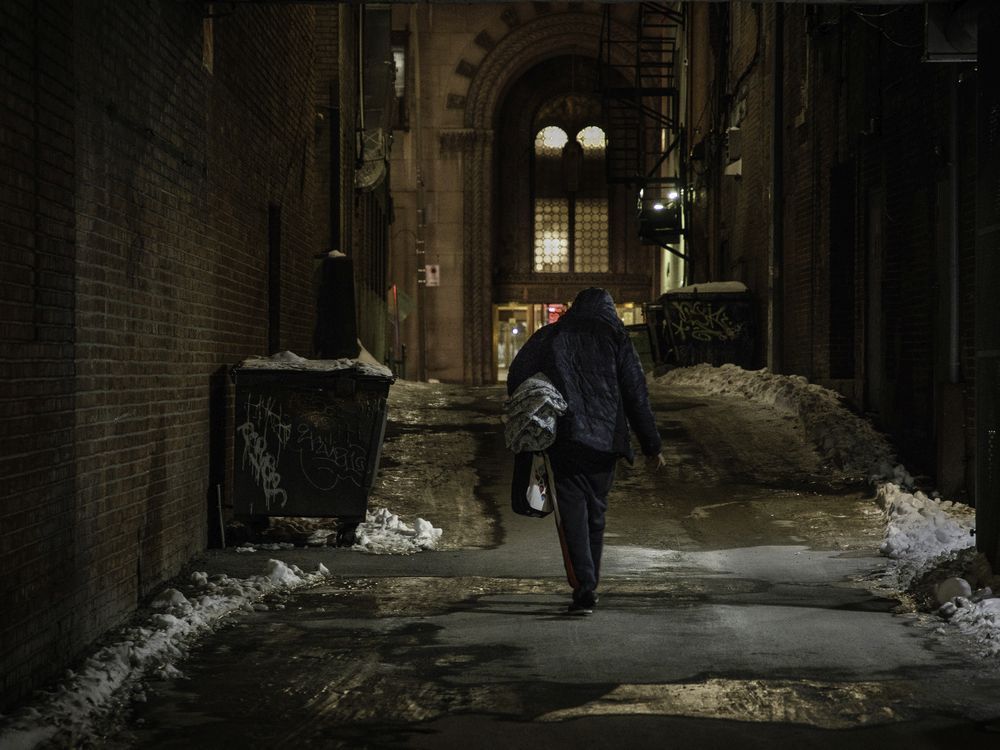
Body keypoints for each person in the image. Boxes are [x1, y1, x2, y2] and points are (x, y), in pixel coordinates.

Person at [507, 288, 665, 615]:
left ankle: (585, 588)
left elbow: (517, 376)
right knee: (596, 513)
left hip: (567, 438)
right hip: (606, 443)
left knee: (573, 515)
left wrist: (541, 399)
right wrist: (653, 447)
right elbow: (637, 396)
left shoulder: (553, 335)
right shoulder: (616, 337)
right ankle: (589, 582)